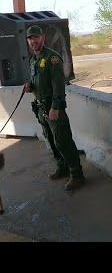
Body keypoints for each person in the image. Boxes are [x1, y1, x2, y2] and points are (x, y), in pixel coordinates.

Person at [23, 25, 85, 191]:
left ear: (43, 37)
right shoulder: (33, 59)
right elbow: (40, 81)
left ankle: (77, 175)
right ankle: (62, 167)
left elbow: (58, 86)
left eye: (36, 37)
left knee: (62, 140)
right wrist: (31, 86)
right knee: (50, 139)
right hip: (41, 107)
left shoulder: (53, 58)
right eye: (30, 38)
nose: (33, 41)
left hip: (53, 107)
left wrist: (56, 107)